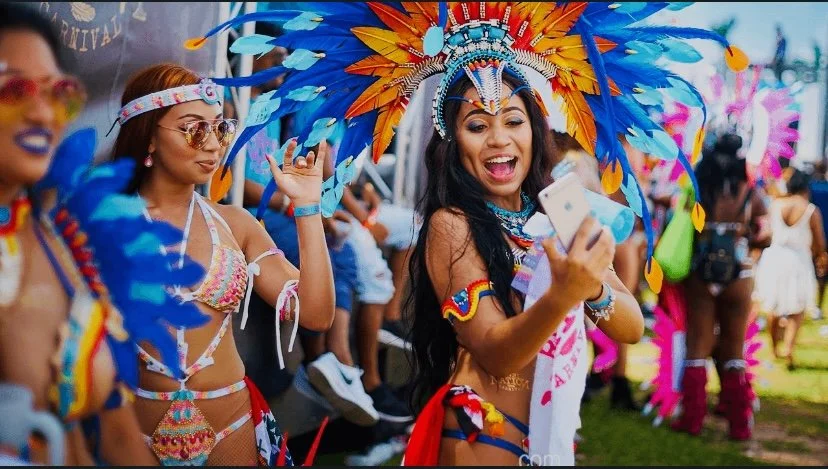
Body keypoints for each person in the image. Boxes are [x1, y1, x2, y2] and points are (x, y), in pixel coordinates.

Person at [0, 3, 204, 465]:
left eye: (58, 92)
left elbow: (119, 436)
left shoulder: (71, 238)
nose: (41, 112)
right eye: (14, 88)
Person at [110, 62, 335, 465]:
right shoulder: (104, 224)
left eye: (220, 128)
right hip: (130, 430)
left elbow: (315, 314)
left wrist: (307, 209)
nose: (213, 145)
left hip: (231, 425)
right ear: (148, 138)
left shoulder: (236, 224)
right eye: (195, 129)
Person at [671, 133, 769, 440]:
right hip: (739, 277)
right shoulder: (751, 193)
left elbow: (680, 224)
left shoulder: (698, 191)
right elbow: (766, 234)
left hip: (701, 275)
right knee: (734, 350)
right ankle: (739, 424)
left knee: (697, 346)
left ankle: (693, 419)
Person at [755, 168, 826, 370]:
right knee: (797, 309)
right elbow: (819, 242)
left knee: (772, 305)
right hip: (799, 260)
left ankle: (775, 347)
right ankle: (788, 349)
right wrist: (820, 256)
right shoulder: (810, 210)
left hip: (774, 257)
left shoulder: (776, 205)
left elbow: (766, 232)